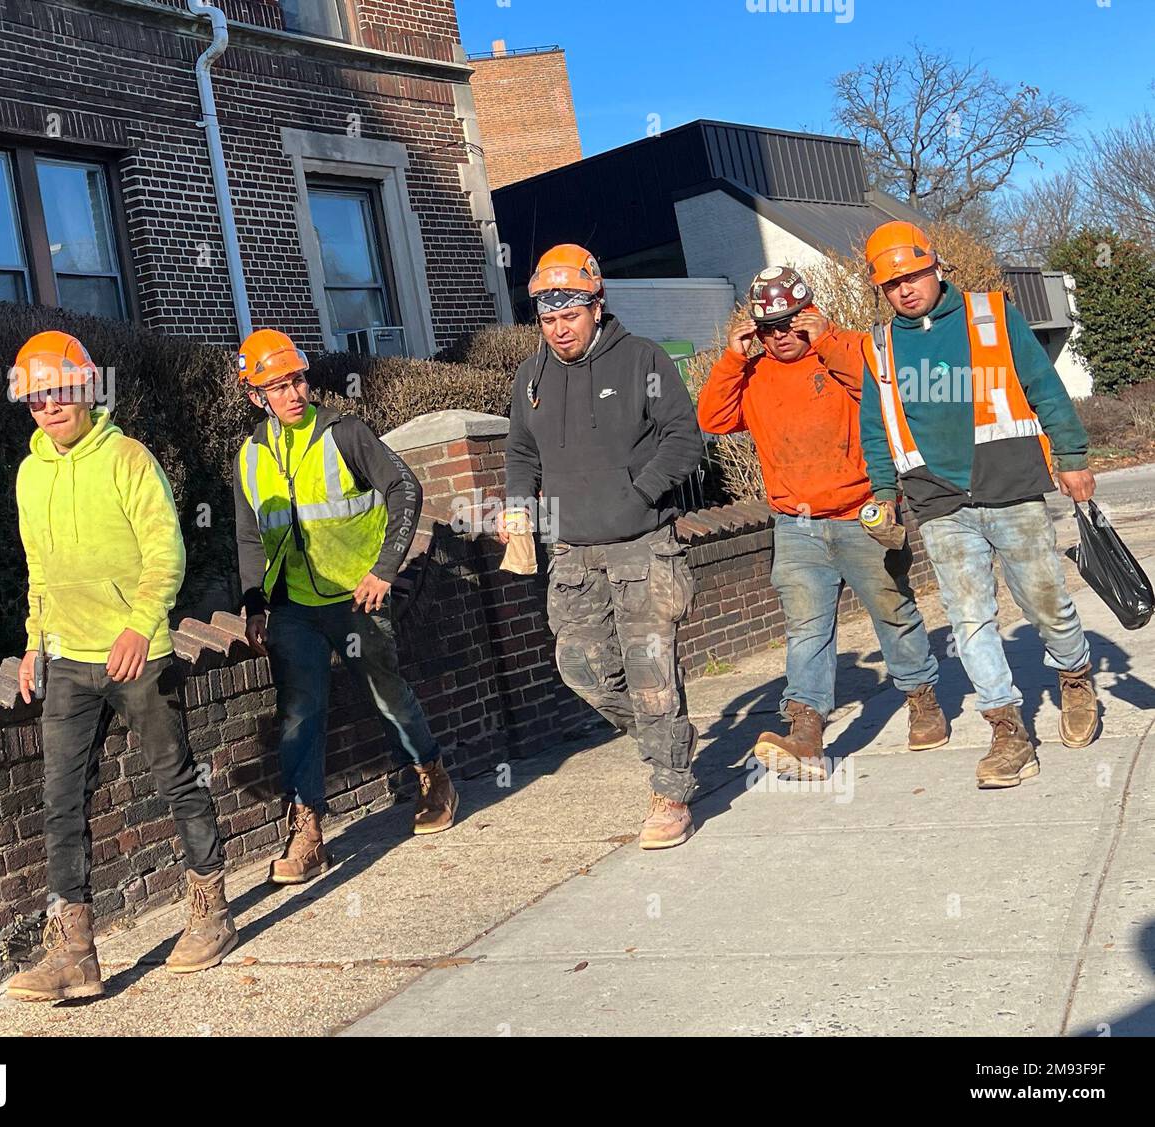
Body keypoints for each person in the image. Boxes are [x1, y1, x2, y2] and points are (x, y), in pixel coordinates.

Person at [8, 331, 235, 1001]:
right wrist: (31, 639)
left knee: (176, 778)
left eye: (58, 390)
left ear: (85, 388)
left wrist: (141, 624)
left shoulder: (129, 458)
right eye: (35, 396)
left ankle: (210, 908)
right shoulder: (30, 472)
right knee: (61, 802)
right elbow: (39, 571)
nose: (48, 405)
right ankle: (75, 950)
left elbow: (166, 551)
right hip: (67, 660)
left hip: (136, 655)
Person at [858, 221, 1099, 789]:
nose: (906, 289)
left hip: (1009, 484)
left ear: (937, 268)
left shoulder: (988, 315)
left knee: (1046, 602)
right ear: (881, 290)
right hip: (938, 500)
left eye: (915, 275)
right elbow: (875, 428)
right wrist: (884, 492)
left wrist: (1072, 454)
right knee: (970, 619)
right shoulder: (880, 346)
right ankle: (1007, 729)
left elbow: (1042, 385)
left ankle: (1074, 676)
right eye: (893, 284)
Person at [697, 267, 946, 779]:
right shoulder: (753, 372)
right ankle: (806, 731)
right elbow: (712, 420)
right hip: (796, 526)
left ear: (808, 314)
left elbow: (880, 390)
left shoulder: (845, 349)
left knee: (894, 613)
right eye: (769, 328)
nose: (781, 335)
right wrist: (731, 358)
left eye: (790, 322)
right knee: (806, 629)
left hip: (861, 515)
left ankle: (922, 699)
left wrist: (827, 340)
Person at [233, 329, 456, 885]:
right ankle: (307, 832)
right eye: (277, 386)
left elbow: (405, 488)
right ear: (255, 396)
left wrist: (384, 569)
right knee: (298, 715)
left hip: (354, 599)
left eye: (297, 380)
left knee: (387, 695)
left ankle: (432, 774)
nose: (292, 394)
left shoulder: (344, 433)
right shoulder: (250, 456)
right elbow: (247, 535)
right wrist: (254, 603)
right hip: (292, 609)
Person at [500, 245, 704, 849]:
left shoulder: (642, 359)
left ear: (596, 303)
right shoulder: (530, 375)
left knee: (649, 669)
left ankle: (670, 790)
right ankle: (664, 742)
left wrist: (639, 493)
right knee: (580, 668)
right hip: (572, 555)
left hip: (642, 547)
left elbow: (685, 440)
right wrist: (518, 506)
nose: (559, 327)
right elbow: (520, 453)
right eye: (548, 317)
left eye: (570, 313)